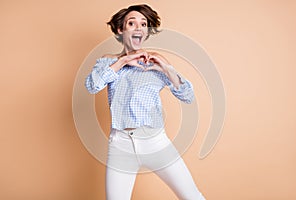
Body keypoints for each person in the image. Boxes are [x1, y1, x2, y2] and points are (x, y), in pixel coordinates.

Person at [85, 4, 206, 200]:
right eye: (131, 23)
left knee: (192, 196)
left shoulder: (154, 63)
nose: (138, 27)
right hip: (120, 145)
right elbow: (92, 85)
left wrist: (165, 67)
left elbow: (187, 95)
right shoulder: (109, 63)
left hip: (156, 143)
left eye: (143, 24)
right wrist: (123, 61)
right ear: (120, 30)